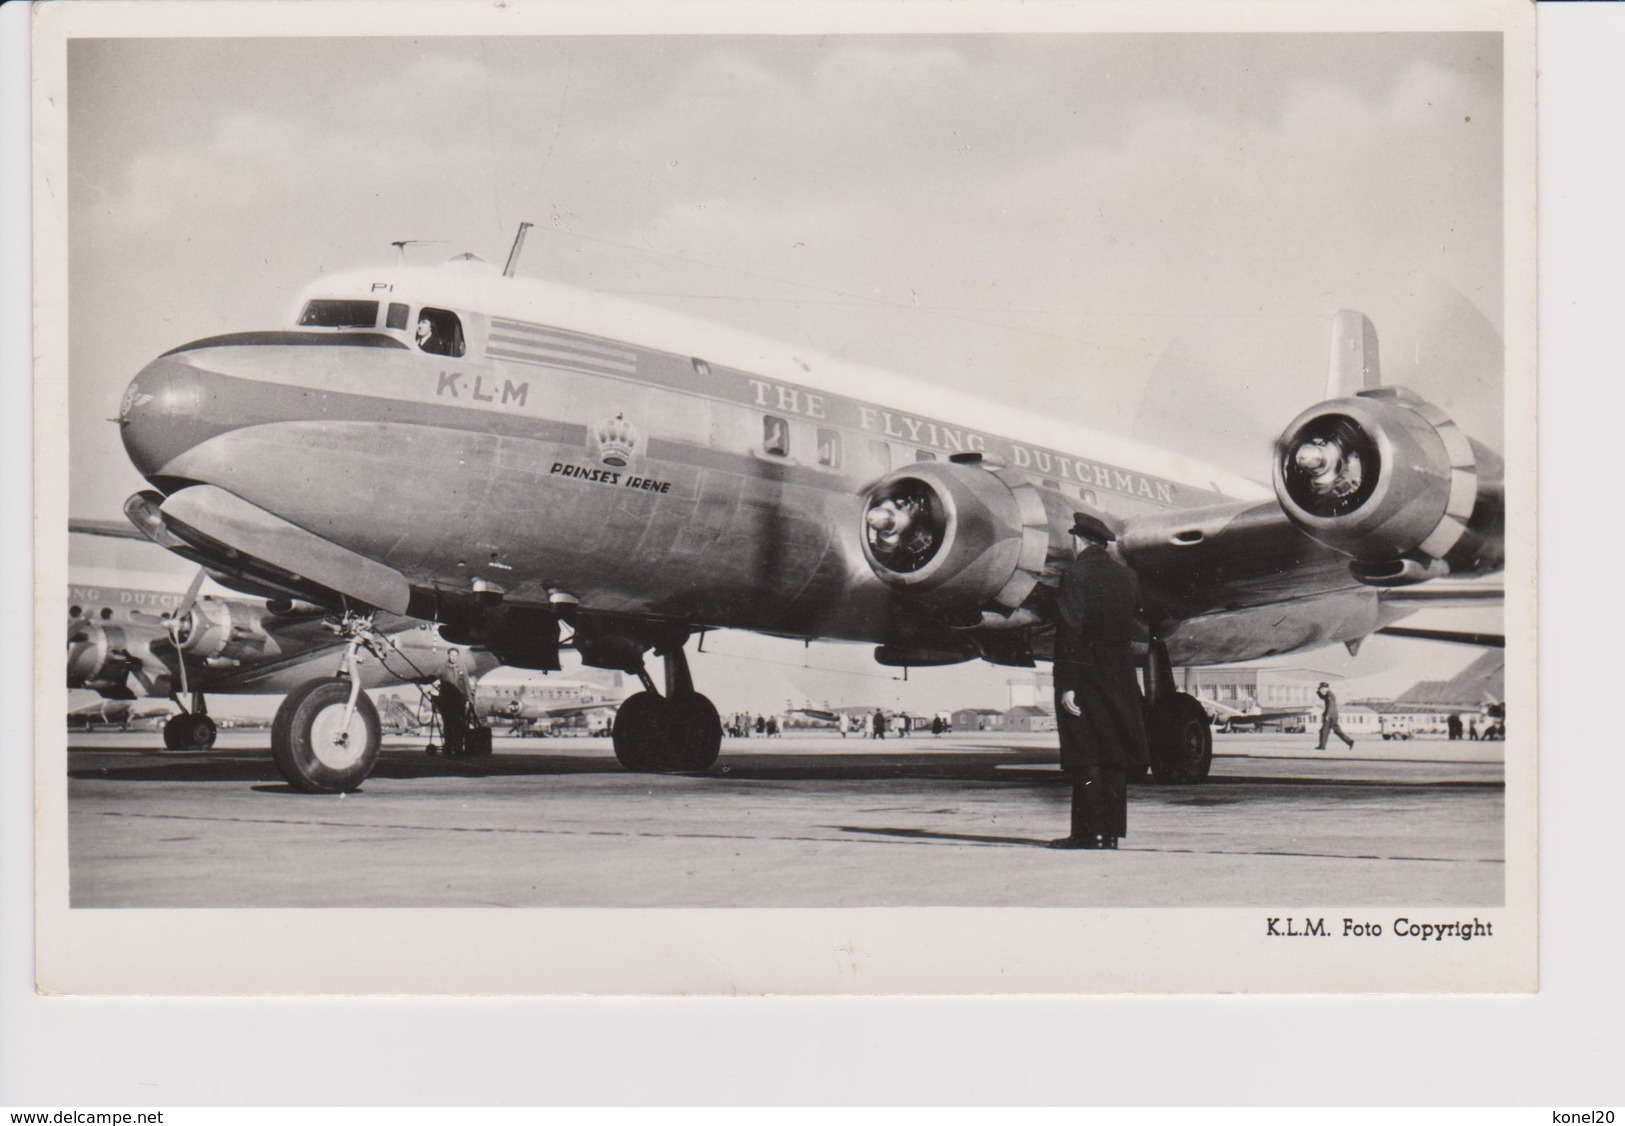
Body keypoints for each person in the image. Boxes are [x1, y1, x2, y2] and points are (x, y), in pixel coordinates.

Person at [1048, 513, 1149, 851]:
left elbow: (1070, 632)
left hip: (1087, 669)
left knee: (1086, 751)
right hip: (1120, 671)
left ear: (1079, 541)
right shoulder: (1128, 577)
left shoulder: (1075, 576)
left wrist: (1069, 683)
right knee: (1115, 752)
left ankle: (1086, 833)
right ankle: (1111, 835)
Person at [432, 647, 474, 756]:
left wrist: (470, 700)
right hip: (446, 701)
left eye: (455, 655)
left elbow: (466, 684)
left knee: (459, 725)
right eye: (451, 655)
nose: (453, 658)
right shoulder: (442, 667)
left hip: (459, 701)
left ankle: (458, 748)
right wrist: (421, 680)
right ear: (448, 655)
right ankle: (448, 748)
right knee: (448, 725)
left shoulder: (462, 667)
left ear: (458, 656)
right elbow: (433, 677)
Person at [1315, 682, 1355, 750]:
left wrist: (1328, 715)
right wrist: (1318, 692)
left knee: (1324, 731)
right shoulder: (1328, 694)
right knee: (1337, 731)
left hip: (1330, 716)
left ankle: (1322, 746)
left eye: (1321, 688)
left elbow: (1331, 705)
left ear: (1325, 688)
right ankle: (1349, 741)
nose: (1321, 689)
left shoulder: (1329, 695)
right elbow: (1322, 697)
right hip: (1333, 715)